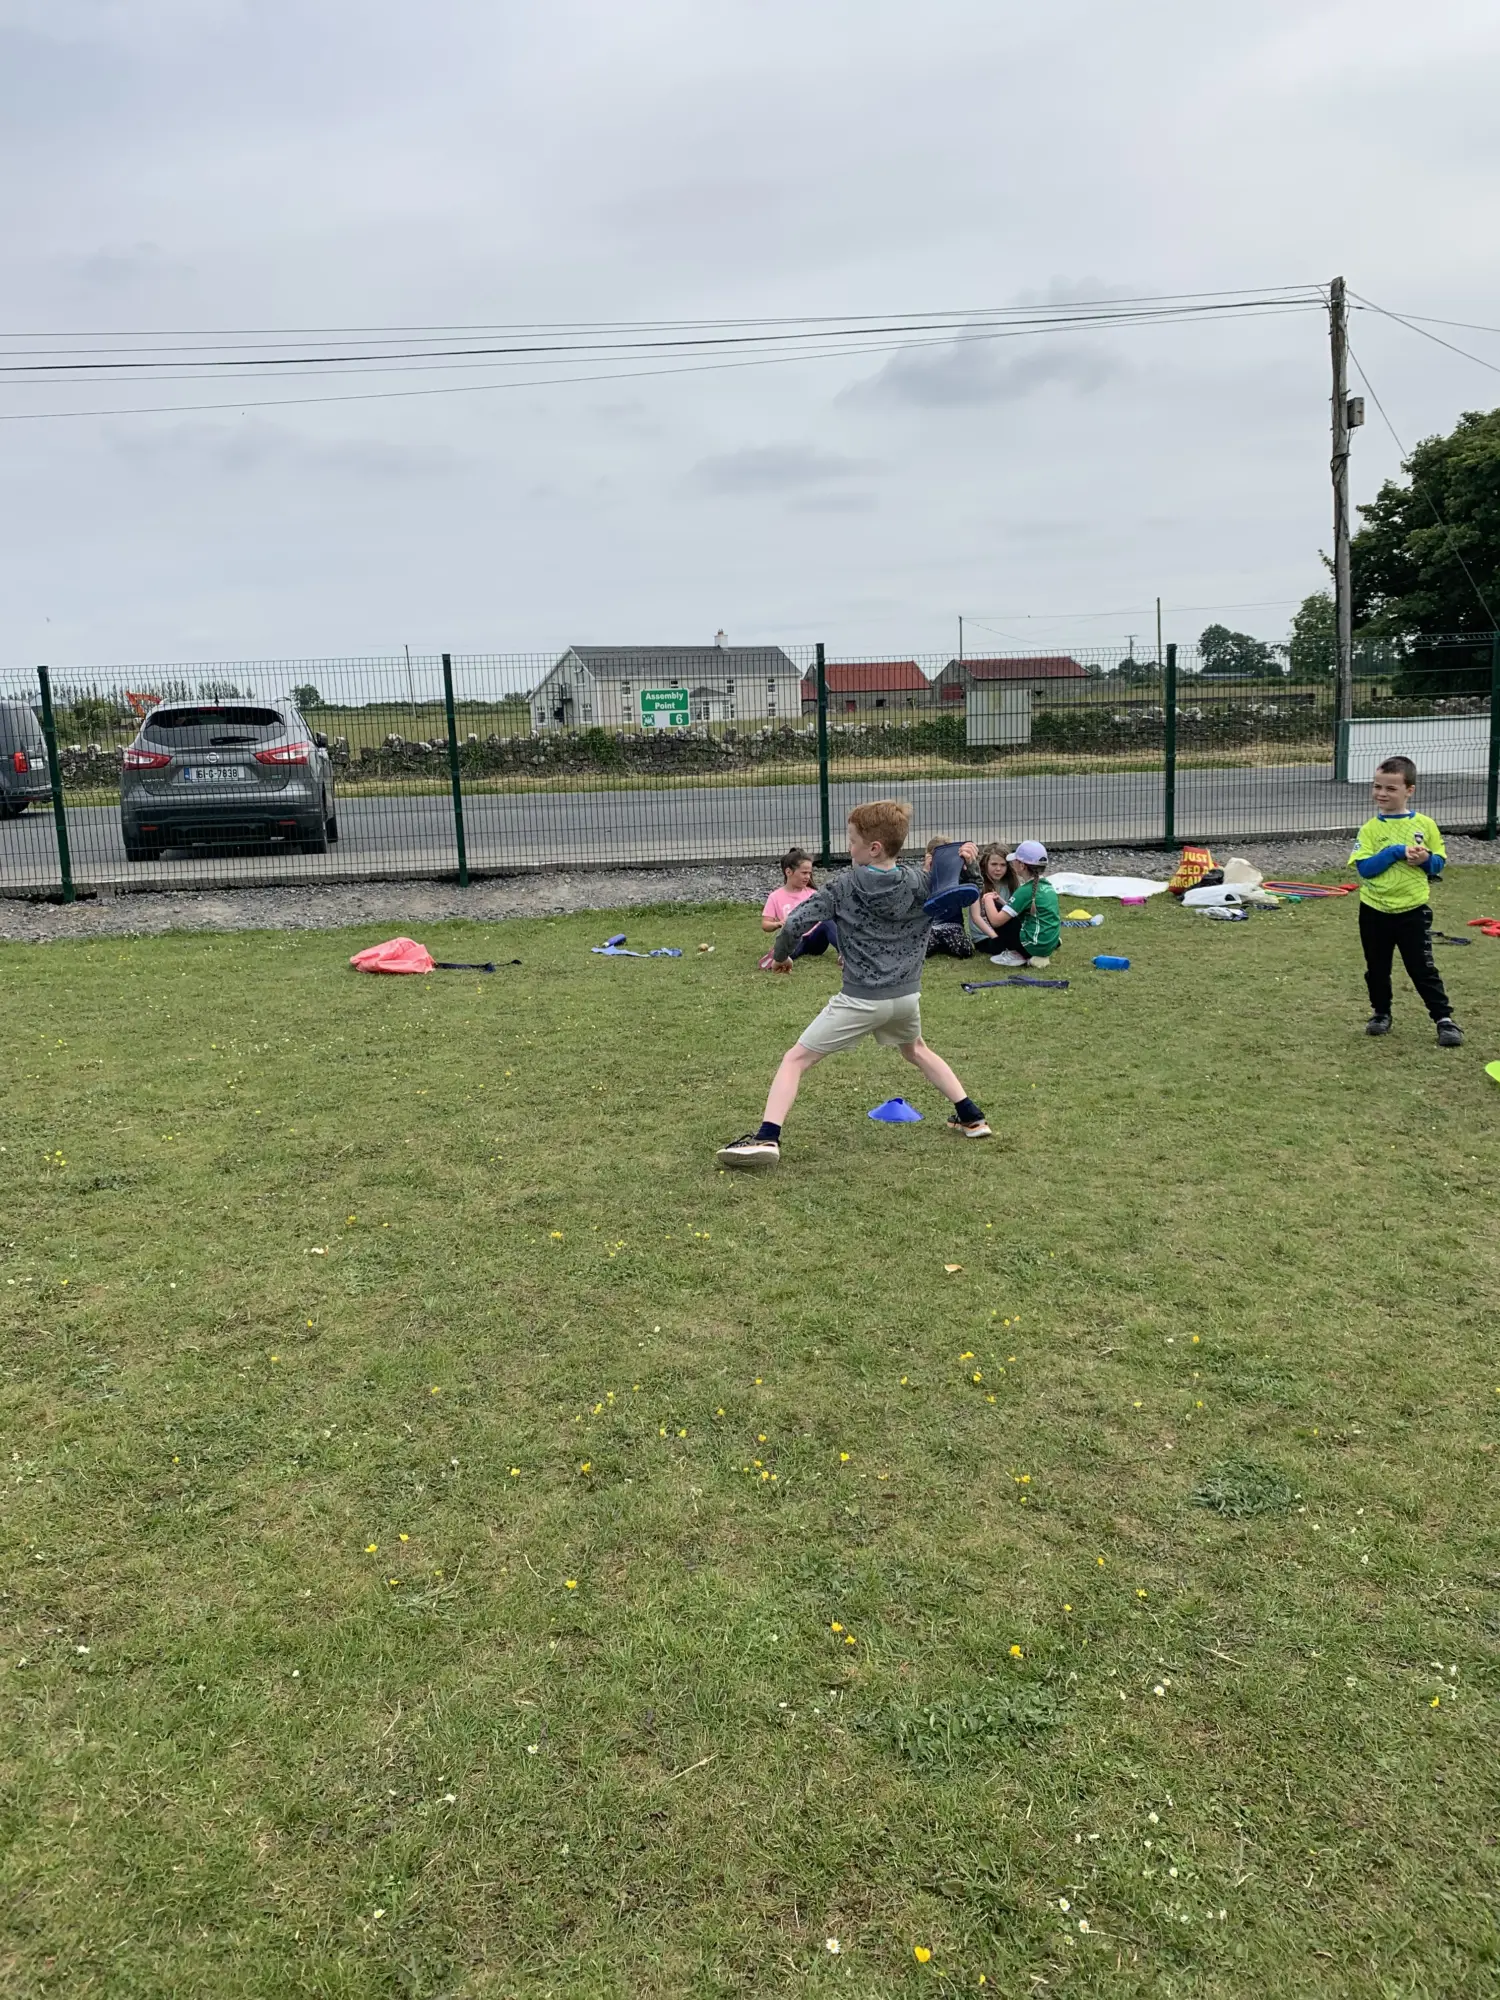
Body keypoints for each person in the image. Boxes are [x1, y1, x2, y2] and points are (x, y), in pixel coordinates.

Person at [717, 800, 992, 1168]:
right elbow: (968, 890)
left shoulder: (843, 887)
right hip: (906, 998)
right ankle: (972, 1116)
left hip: (861, 999)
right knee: (915, 1050)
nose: (848, 847)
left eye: (852, 841)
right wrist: (970, 863)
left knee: (795, 1060)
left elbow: (794, 924)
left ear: (874, 847)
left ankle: (767, 1137)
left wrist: (781, 956)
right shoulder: (921, 881)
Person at [1349, 756, 1463, 1046]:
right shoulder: (1369, 830)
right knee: (1377, 967)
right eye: (1377, 787)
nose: (1381, 793)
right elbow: (1365, 869)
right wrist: (1396, 851)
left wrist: (1425, 860)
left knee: (1422, 967)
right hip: (1374, 910)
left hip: (1413, 911)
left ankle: (1444, 1019)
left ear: (1409, 790)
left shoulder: (1425, 825)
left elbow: (1437, 865)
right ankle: (1381, 1013)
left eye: (1390, 788)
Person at [759, 846, 838, 972]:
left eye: (809, 873)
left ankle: (845, 954)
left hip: (815, 941)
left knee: (826, 922)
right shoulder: (775, 896)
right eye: (804, 873)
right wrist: (778, 924)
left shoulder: (814, 894)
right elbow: (765, 925)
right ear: (788, 872)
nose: (808, 877)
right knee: (789, 940)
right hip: (795, 939)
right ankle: (778, 957)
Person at [986, 840, 1061, 967]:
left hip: (1033, 946)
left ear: (1022, 866)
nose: (1012, 863)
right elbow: (1017, 910)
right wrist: (1002, 900)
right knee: (1006, 910)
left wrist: (988, 899)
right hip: (1047, 943)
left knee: (996, 908)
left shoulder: (1025, 891)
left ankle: (1018, 954)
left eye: (1015, 860)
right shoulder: (1047, 886)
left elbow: (996, 921)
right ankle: (1042, 952)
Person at [920, 833, 978, 959]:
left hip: (953, 925)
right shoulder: (921, 874)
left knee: (964, 949)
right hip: (930, 926)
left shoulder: (956, 874)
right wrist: (925, 871)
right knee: (923, 947)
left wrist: (970, 865)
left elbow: (976, 885)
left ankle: (944, 944)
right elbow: (918, 896)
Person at [970, 842, 1022, 945]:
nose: (998, 869)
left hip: (1005, 931)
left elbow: (1014, 912)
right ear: (985, 864)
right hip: (984, 937)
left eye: (1003, 865)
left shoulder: (1010, 883)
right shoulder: (977, 885)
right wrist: (995, 938)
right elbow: (976, 917)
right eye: (994, 864)